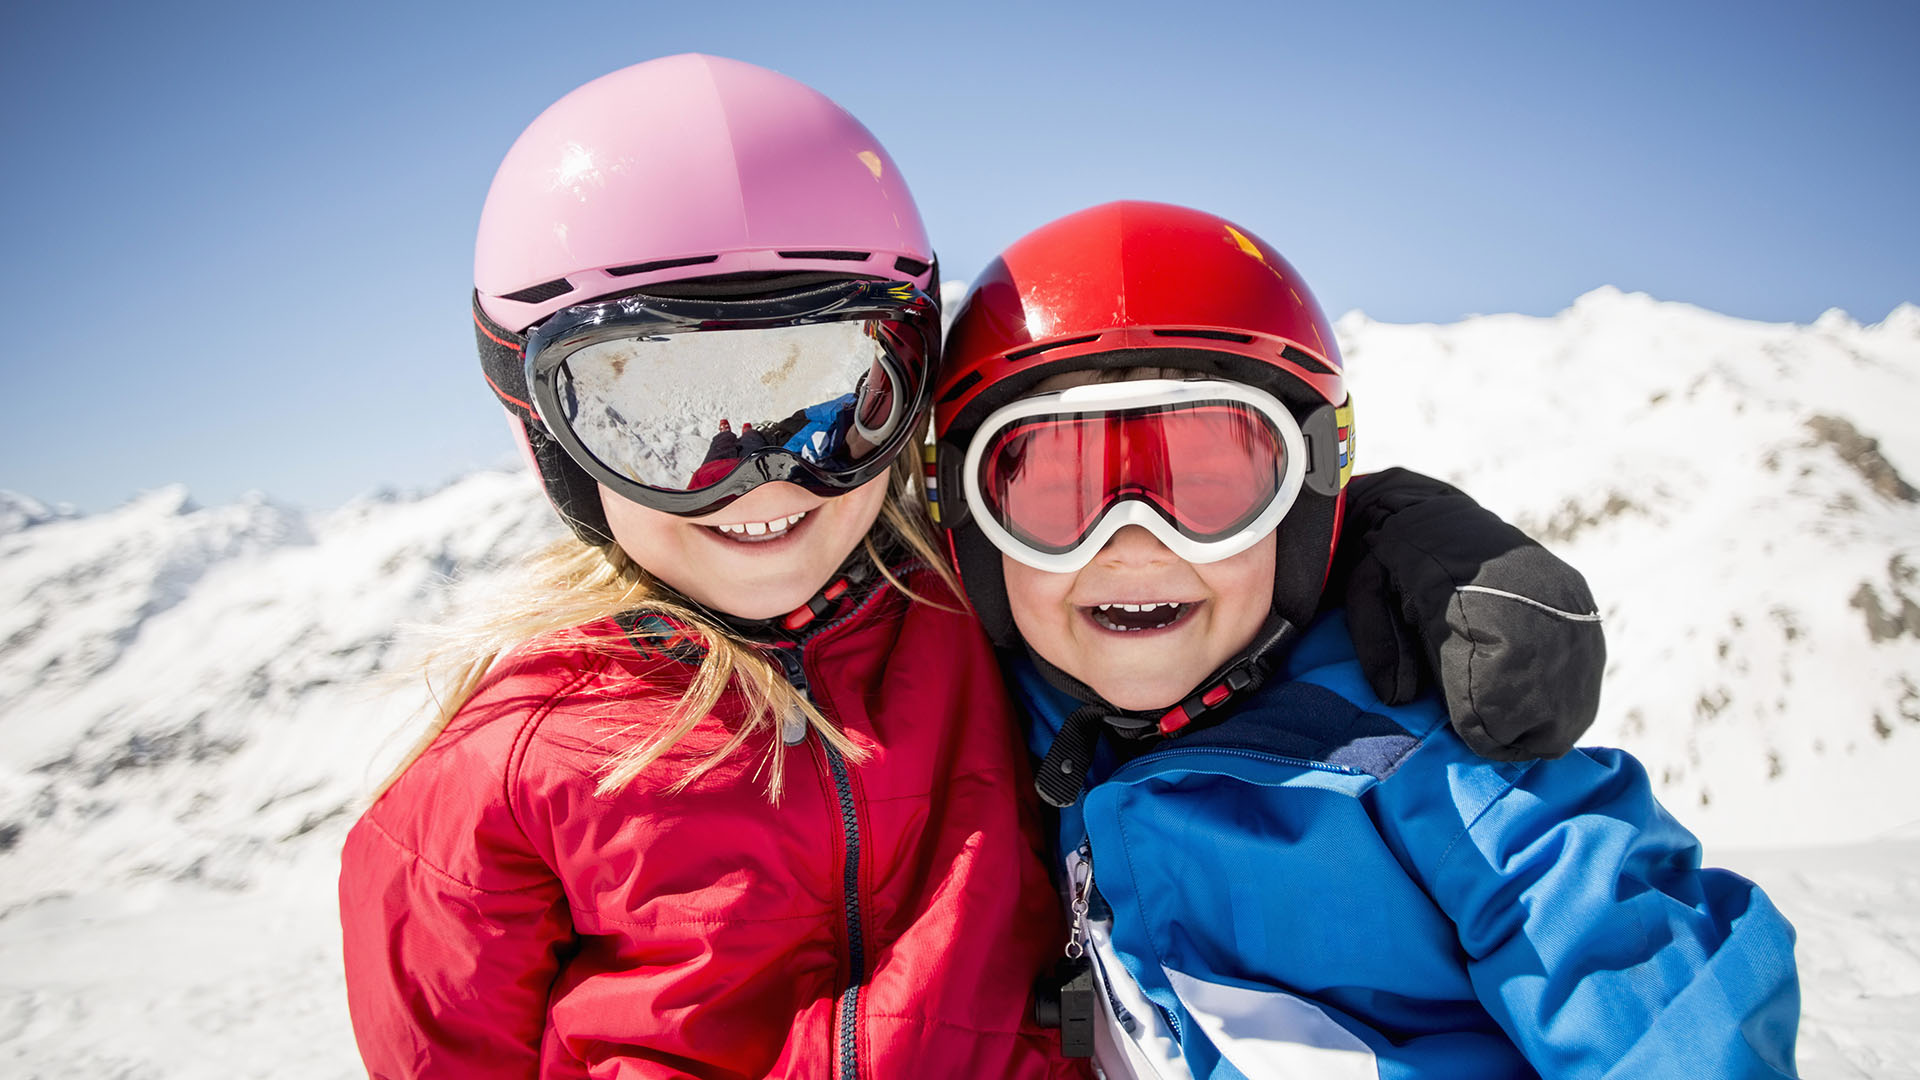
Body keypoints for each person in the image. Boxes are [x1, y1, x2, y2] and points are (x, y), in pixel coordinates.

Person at [339, 57, 1605, 1078]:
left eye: (825, 394)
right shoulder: (496, 782)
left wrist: (1394, 534)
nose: (767, 479)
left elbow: (1169, 545)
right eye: (659, 417)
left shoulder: (972, 603)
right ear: (542, 425)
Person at [929, 200, 1801, 1078]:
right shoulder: (1001, 720)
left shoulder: (1419, 752)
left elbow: (1643, 979)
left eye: (1210, 487)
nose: (1134, 543)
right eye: (1053, 493)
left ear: (1303, 505)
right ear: (971, 521)